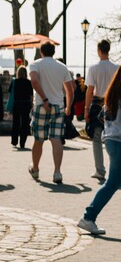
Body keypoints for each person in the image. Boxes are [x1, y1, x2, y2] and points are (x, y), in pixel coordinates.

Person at [77, 62, 121, 235]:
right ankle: (88, 217)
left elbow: (105, 117)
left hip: (115, 140)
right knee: (113, 183)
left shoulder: (114, 95)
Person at [28, 41, 74, 184]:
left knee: (39, 139)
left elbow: (34, 82)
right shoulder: (62, 67)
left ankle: (35, 169)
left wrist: (44, 98)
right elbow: (69, 90)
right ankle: (57, 172)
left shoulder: (35, 64)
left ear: (41, 52)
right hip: (58, 106)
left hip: (42, 106)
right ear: (53, 52)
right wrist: (68, 107)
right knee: (56, 140)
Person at [85, 39, 119, 181]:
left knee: (97, 138)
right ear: (109, 50)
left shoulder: (93, 68)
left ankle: (100, 170)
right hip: (112, 104)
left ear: (99, 50)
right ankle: (115, 170)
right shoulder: (116, 68)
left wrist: (86, 109)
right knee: (113, 138)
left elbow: (90, 90)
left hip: (98, 104)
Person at [10, 65, 33, 149]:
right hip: (26, 104)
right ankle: (22, 142)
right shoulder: (28, 82)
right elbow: (31, 95)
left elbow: (11, 93)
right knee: (25, 124)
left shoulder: (14, 81)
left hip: (17, 103)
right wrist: (32, 105)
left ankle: (14, 141)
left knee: (15, 122)